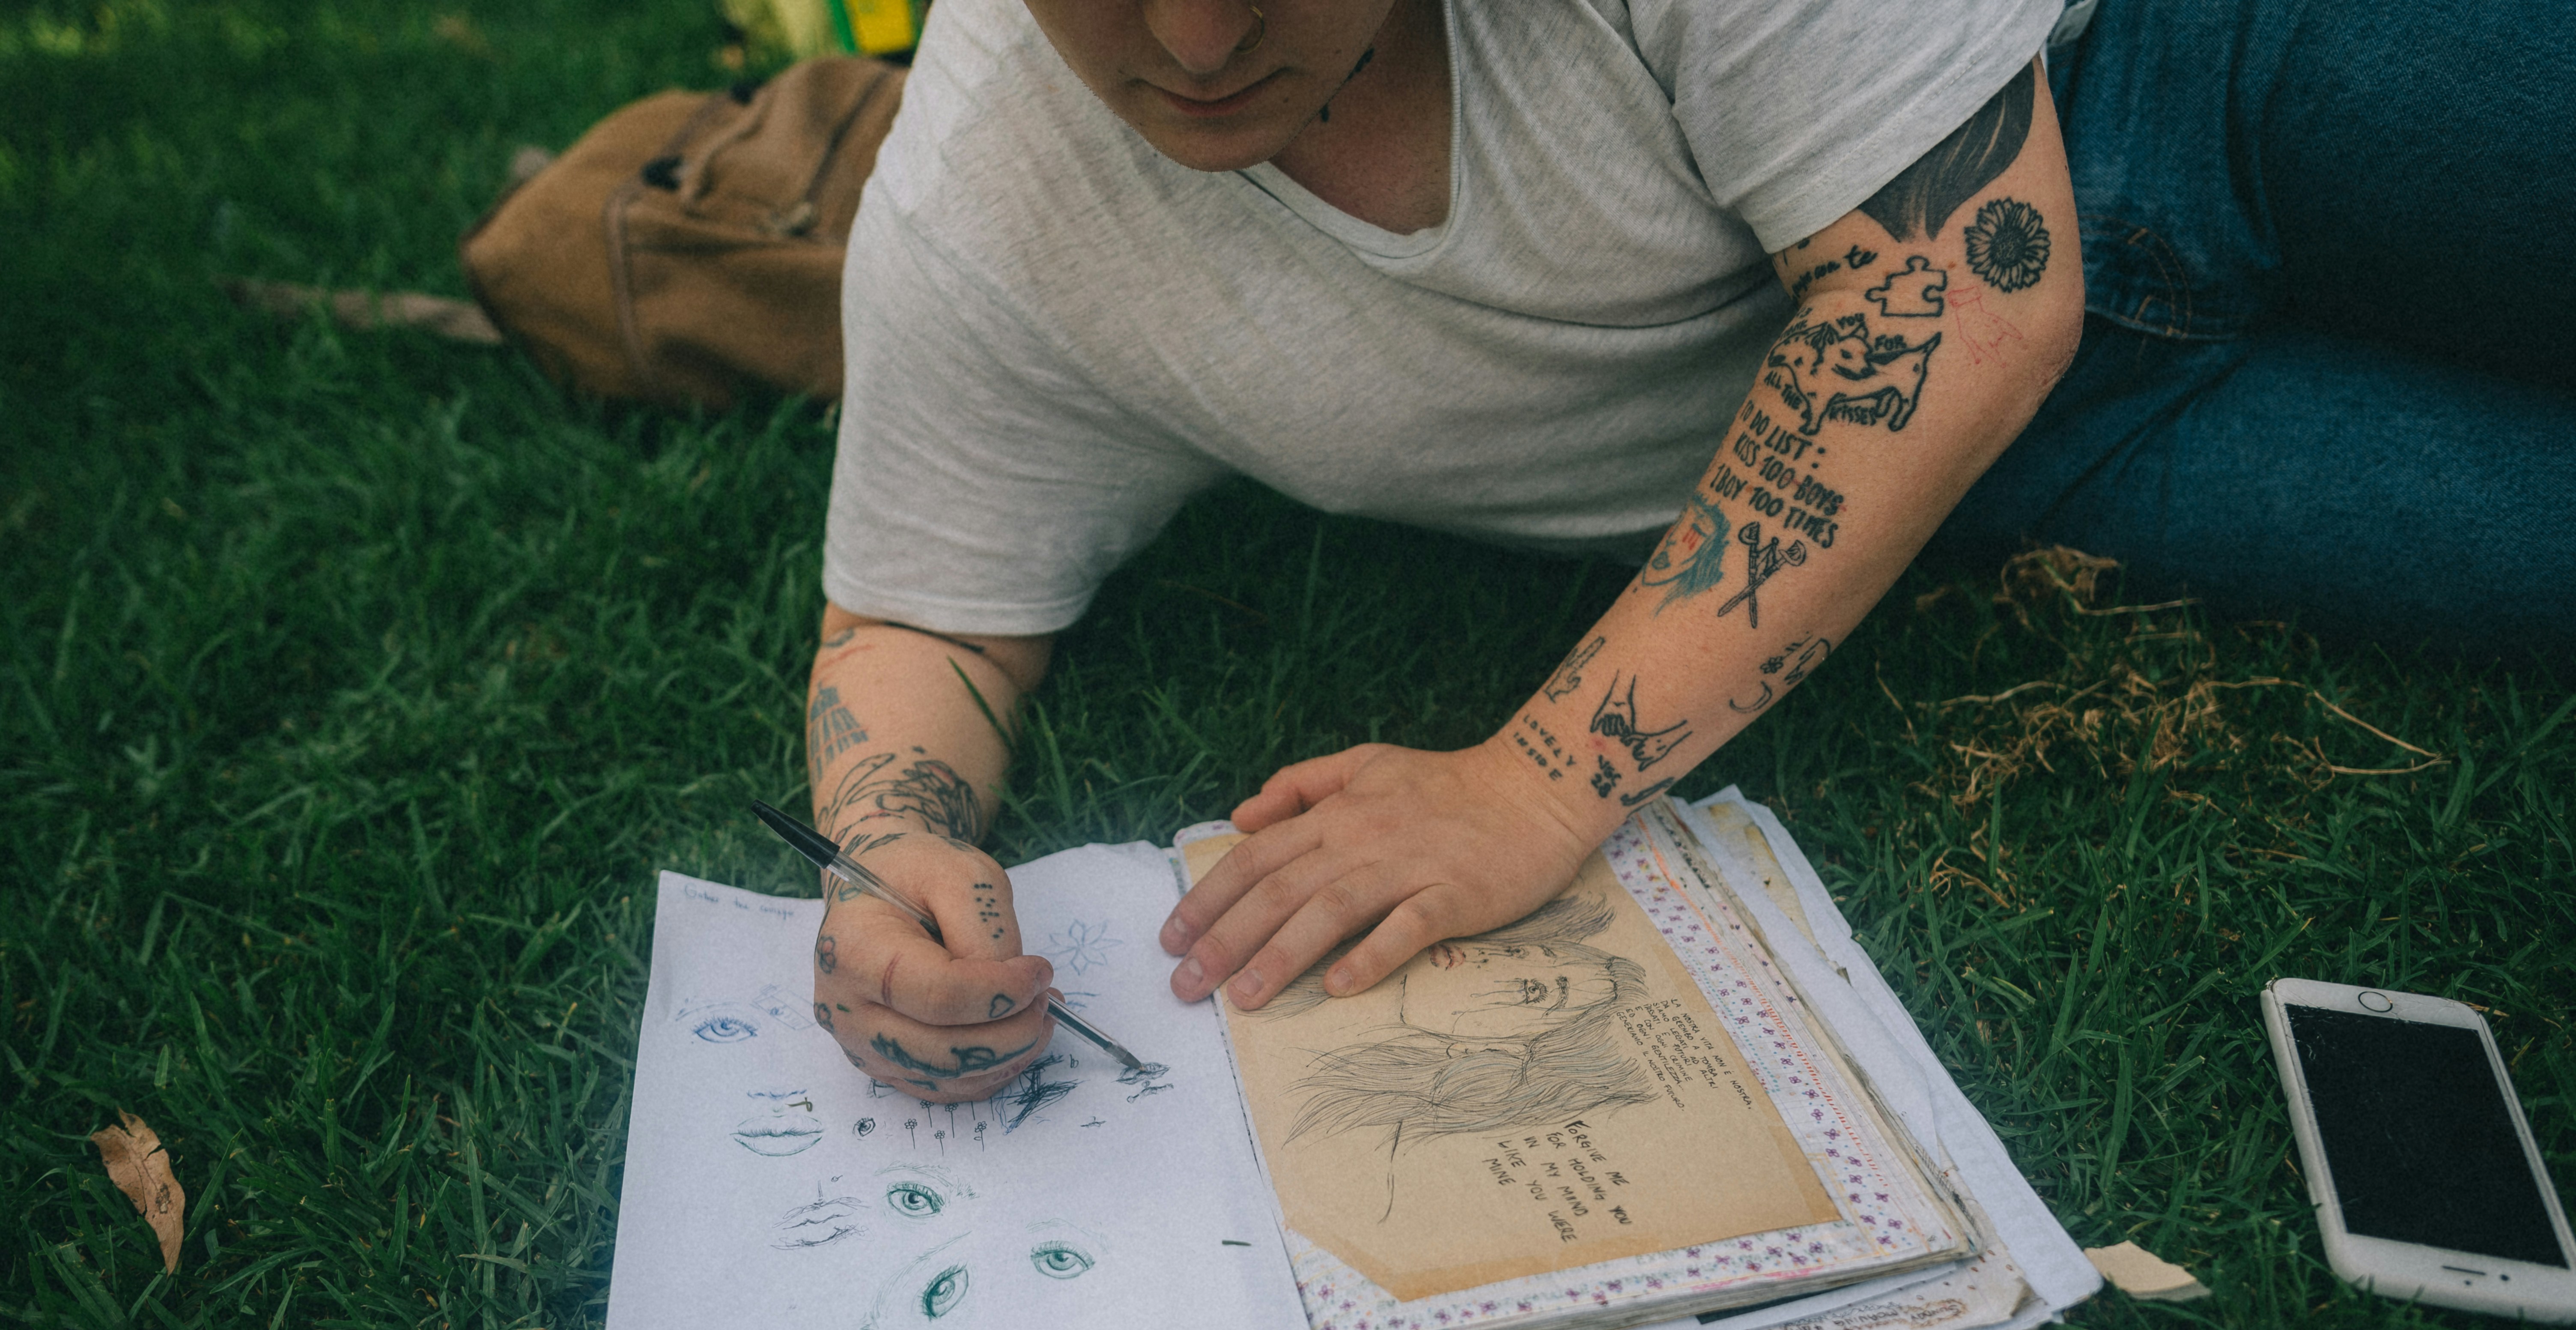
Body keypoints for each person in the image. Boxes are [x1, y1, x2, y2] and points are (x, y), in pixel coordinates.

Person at [797, 0, 2567, 1106]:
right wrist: (892, 851)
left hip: (2186, 57)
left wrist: (1535, 782)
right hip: (2054, 460)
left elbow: (1955, 277)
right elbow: (919, 613)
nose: (1190, 41)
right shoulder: (988, 198)